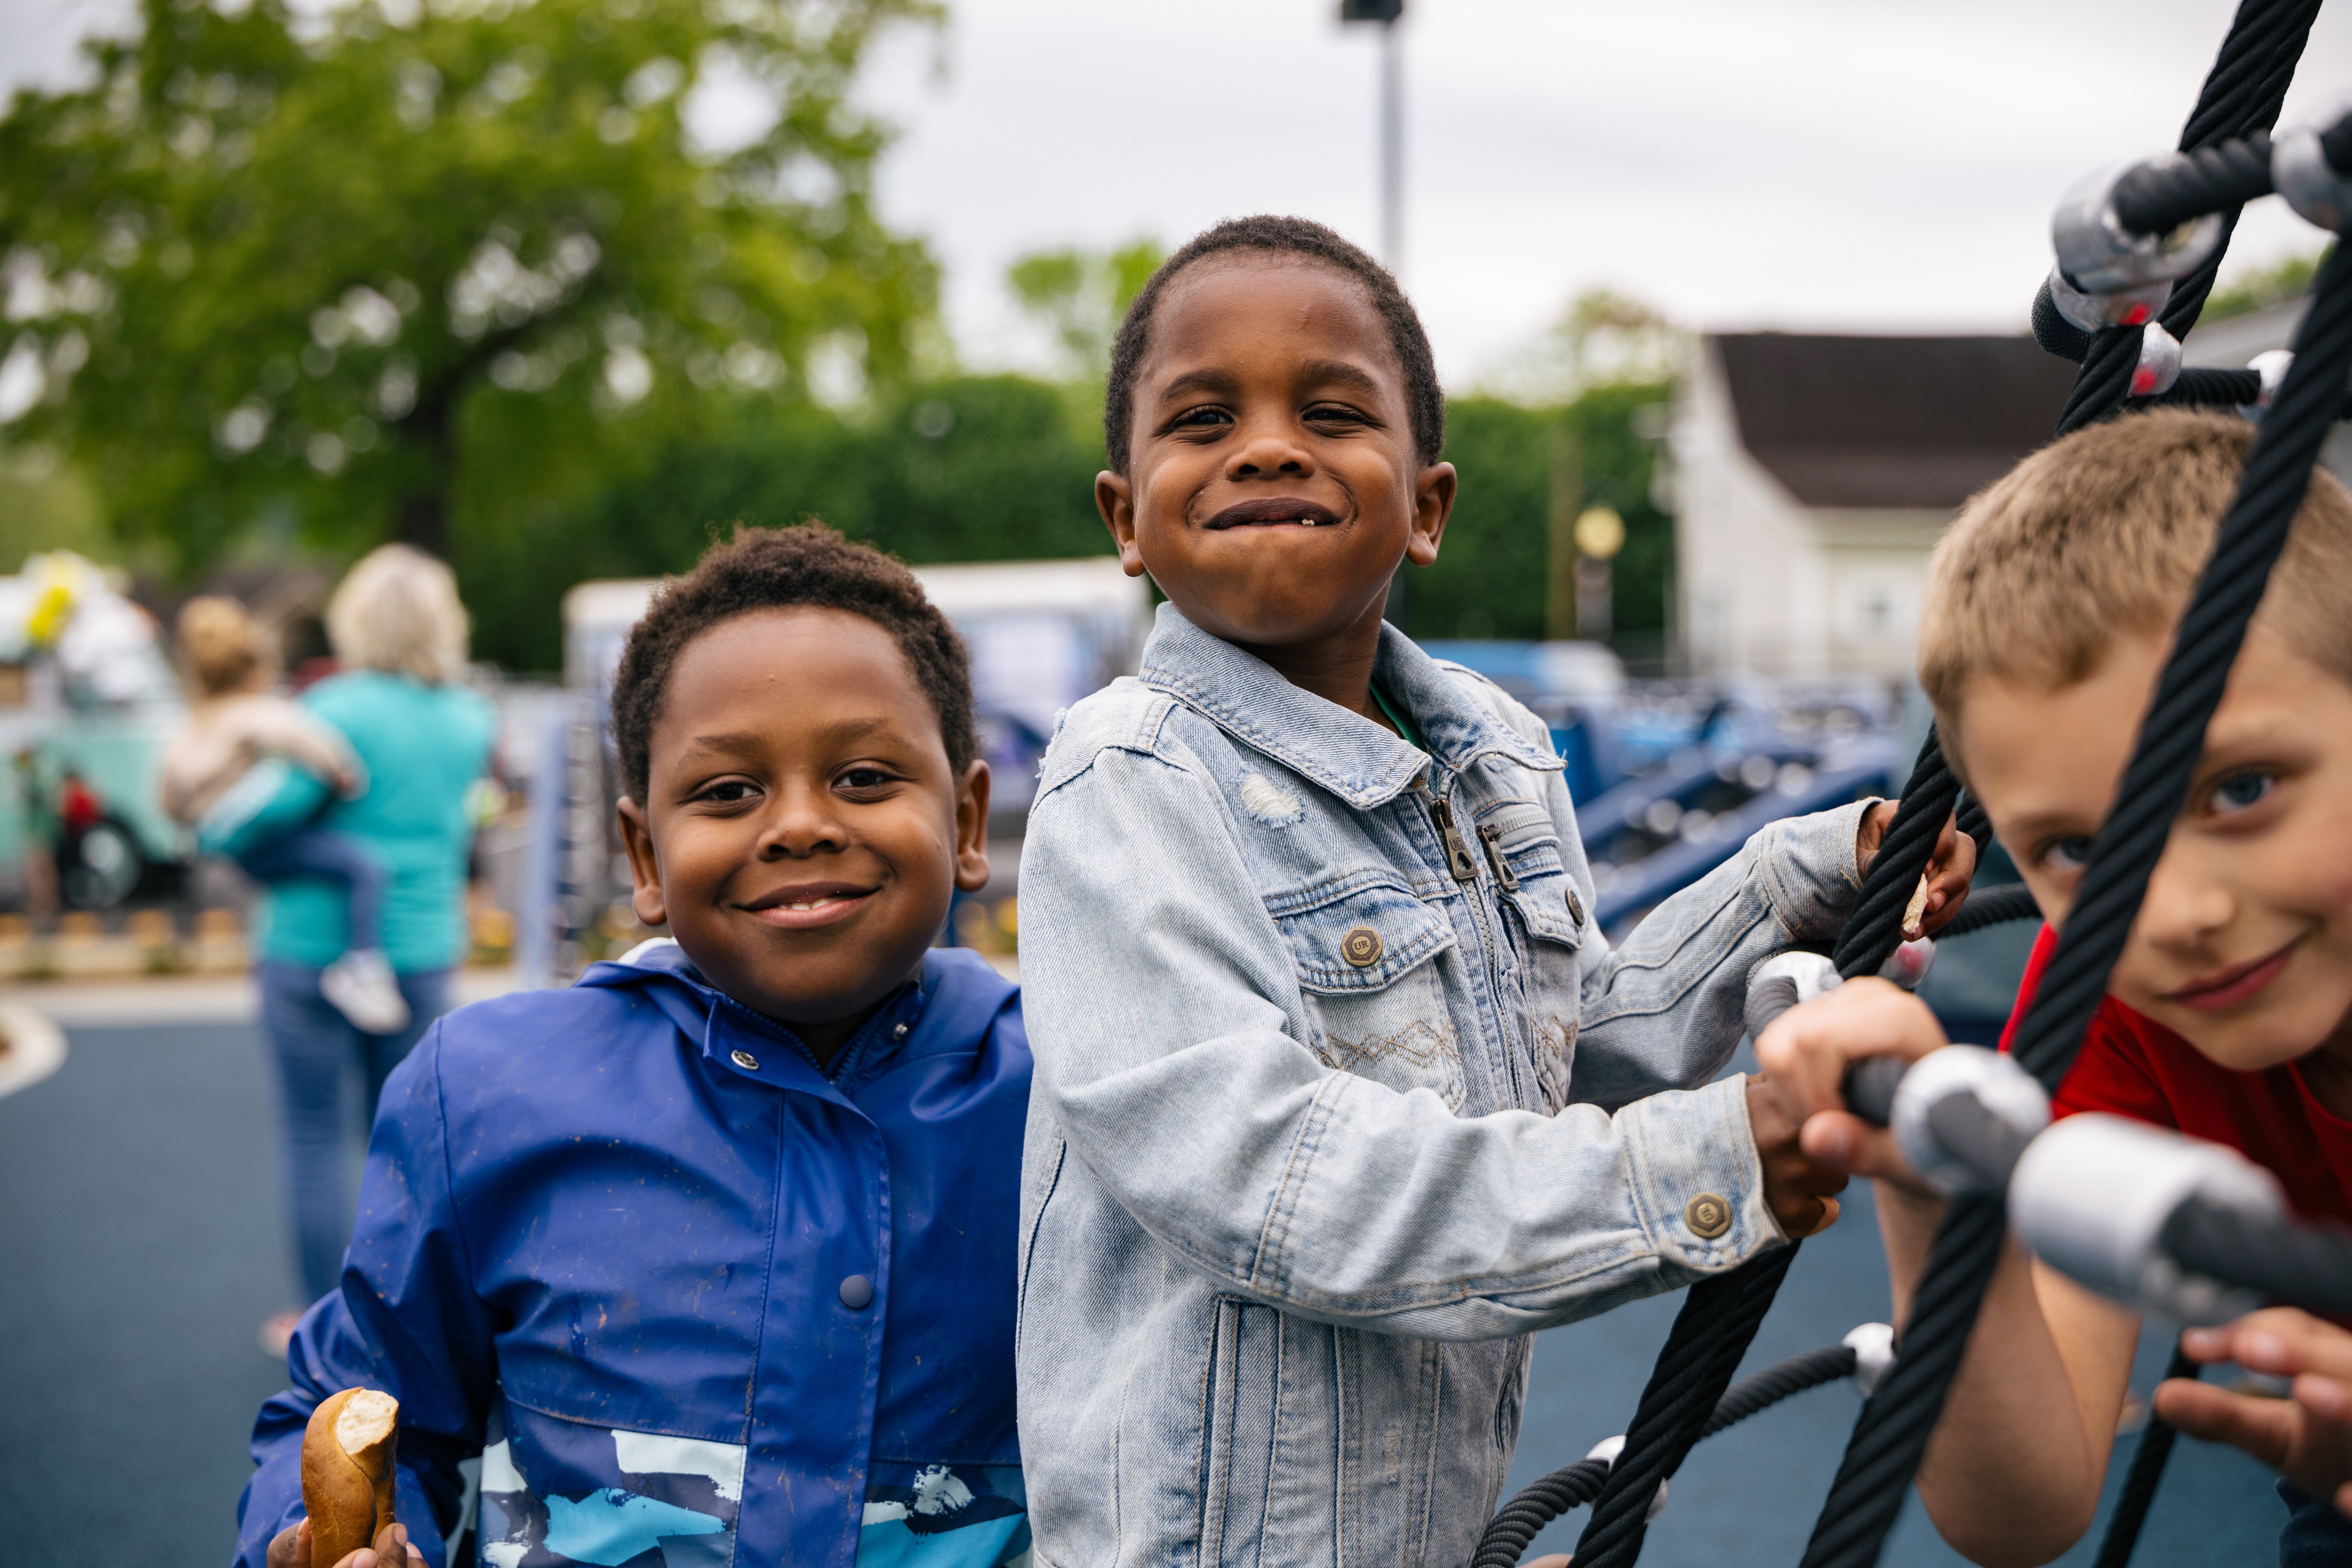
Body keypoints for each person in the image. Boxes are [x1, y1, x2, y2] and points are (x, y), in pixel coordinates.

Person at [1011, 214, 1976, 1568]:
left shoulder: (1498, 761)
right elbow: (1271, 1178)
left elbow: (1573, 1060)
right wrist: (1709, 1165)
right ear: (1127, 516)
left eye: (1333, 411)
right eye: (1205, 416)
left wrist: (1805, 882)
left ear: (1429, 507)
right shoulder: (1129, 782)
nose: (1269, 444)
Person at [236, 526, 1031, 1568]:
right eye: (728, 793)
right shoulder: (488, 1093)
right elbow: (359, 1408)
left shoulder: (1066, 1099)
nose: (797, 825)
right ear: (643, 855)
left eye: (866, 776)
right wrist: (326, 1542)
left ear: (968, 819)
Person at [1755, 408, 2352, 1566]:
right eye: (2077, 850)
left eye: (2239, 789)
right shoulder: (2101, 994)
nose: (2173, 910)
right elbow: (2021, 1510)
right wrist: (1924, 1172)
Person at [205, 547, 498, 1356]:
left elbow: (251, 817)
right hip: (422, 949)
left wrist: (220, 829)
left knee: (310, 1134)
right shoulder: (472, 717)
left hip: (309, 947)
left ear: (357, 619)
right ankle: (400, 1318)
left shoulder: (333, 706)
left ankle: (314, 1315)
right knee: (400, 1144)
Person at [160, 595, 409, 1034]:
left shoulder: (192, 724)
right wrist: (343, 771)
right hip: (253, 840)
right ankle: (362, 966)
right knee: (364, 868)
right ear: (257, 670)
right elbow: (313, 742)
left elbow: (170, 798)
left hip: (229, 851)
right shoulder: (259, 712)